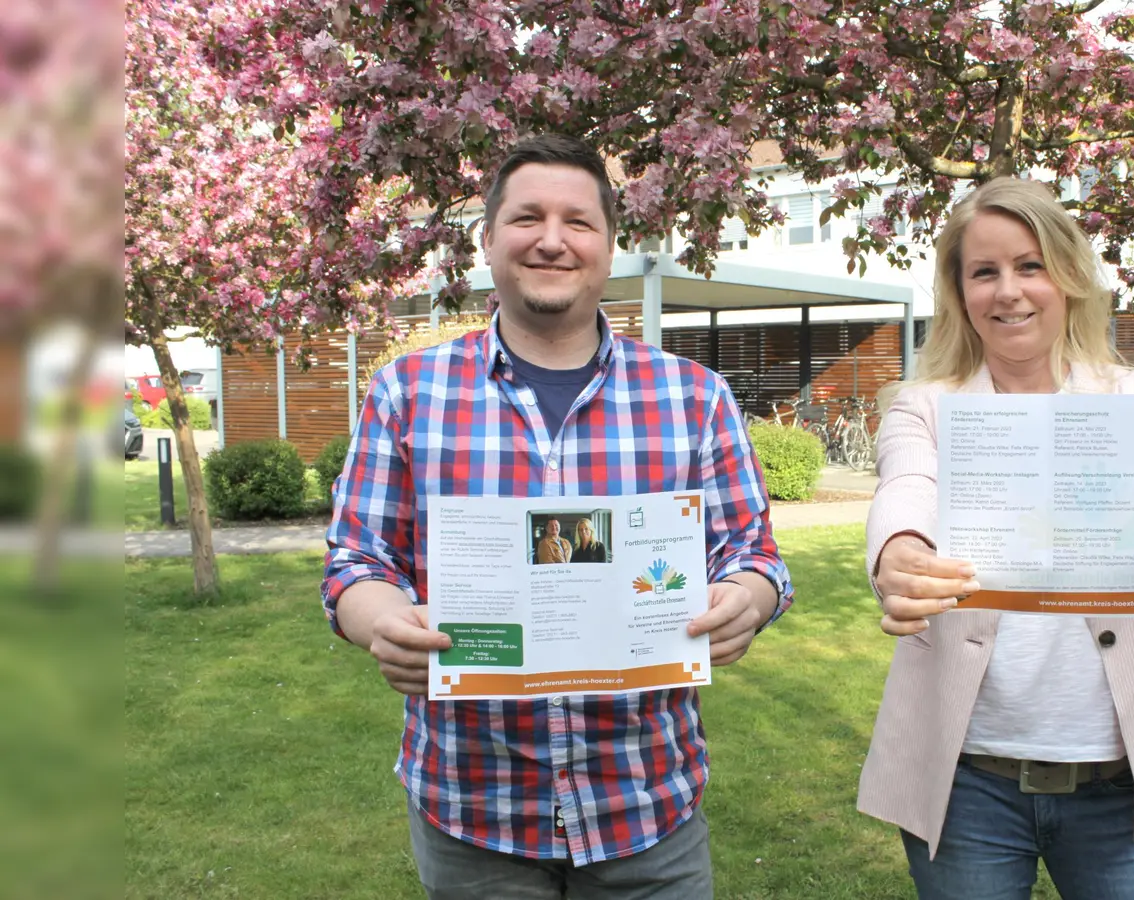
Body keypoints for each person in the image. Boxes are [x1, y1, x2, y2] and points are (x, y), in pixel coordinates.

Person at [323, 132, 793, 899]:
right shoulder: (407, 392)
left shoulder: (694, 397)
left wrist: (747, 600)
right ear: (487, 240)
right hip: (473, 810)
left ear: (609, 246)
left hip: (646, 806)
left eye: (578, 221)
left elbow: (753, 551)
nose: (551, 240)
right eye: (526, 218)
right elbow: (357, 561)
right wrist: (381, 622)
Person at [857, 177, 1134, 900]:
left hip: (1117, 782)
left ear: (1068, 278)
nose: (1010, 292)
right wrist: (898, 553)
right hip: (967, 782)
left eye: (1031, 266)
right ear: (959, 292)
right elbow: (906, 488)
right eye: (985, 272)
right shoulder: (924, 407)